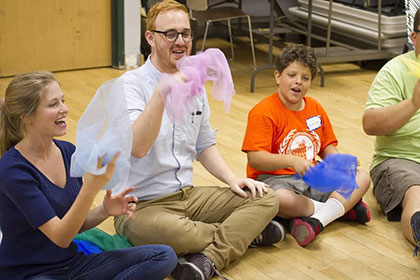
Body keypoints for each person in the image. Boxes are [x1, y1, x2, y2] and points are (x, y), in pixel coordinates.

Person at [113, 1, 281, 279]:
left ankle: (207, 257)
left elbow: (204, 145)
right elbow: (138, 147)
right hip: (140, 207)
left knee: (265, 197)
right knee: (176, 231)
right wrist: (162, 93)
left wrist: (231, 179)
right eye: (170, 34)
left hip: (188, 196)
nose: (181, 42)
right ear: (150, 38)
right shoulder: (130, 85)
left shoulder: (195, 85)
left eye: (186, 34)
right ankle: (244, 234)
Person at [0, 71, 178, 280]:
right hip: (30, 273)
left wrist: (105, 210)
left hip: (72, 265)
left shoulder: (67, 151)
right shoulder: (12, 170)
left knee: (163, 255)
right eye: (53, 104)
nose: (64, 109)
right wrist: (90, 188)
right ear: (26, 116)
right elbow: (60, 237)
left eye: (63, 101)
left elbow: (75, 225)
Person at [241, 44, 371, 247]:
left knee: (362, 178)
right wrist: (292, 161)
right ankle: (339, 209)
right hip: (275, 180)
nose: (298, 82)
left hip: (311, 178)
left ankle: (317, 220)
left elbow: (327, 146)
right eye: (291, 75)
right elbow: (255, 157)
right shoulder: (263, 111)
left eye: (305, 78)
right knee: (279, 199)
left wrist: (338, 163)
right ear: (277, 76)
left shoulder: (315, 108)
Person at [362, 9, 420, 255]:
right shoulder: (395, 70)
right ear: (414, 37)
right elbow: (370, 124)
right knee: (416, 193)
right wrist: (413, 104)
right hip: (399, 160)